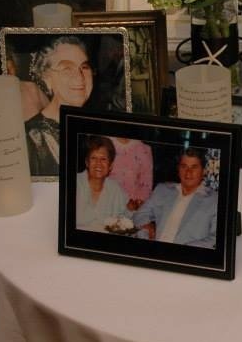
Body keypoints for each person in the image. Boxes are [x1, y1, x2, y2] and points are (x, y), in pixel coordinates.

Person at [25, 36, 94, 176]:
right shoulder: (31, 138)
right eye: (67, 68)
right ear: (47, 79)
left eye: (84, 67)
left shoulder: (97, 128)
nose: (80, 77)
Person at [132, 148, 217, 248]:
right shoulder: (162, 190)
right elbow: (140, 214)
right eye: (184, 166)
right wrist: (146, 227)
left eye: (194, 167)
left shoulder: (214, 200)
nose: (188, 172)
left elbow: (216, 238)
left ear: (203, 171)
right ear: (178, 169)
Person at [75, 136, 129, 231]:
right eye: (93, 158)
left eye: (103, 159)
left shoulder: (116, 190)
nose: (98, 163)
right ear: (87, 162)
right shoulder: (75, 183)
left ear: (110, 165)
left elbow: (125, 218)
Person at [107, 137, 153, 211]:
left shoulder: (143, 149)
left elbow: (146, 184)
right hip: (107, 204)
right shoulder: (105, 143)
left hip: (132, 209)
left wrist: (138, 203)